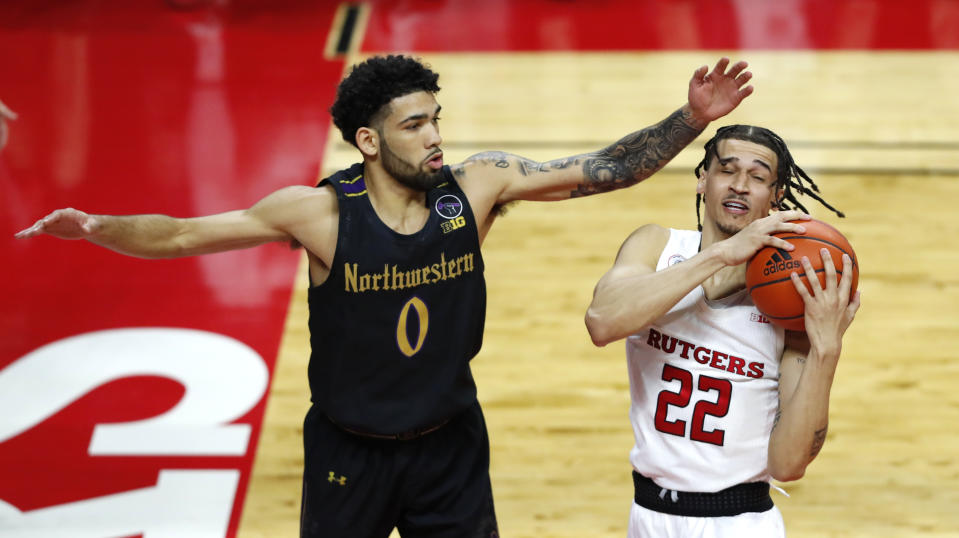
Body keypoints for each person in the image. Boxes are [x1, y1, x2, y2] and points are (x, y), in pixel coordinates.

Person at [15, 55, 754, 538]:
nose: (435, 136)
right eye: (415, 124)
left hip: (449, 446)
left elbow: (604, 170)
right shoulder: (318, 214)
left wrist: (691, 119)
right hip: (348, 452)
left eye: (436, 119)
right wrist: (98, 227)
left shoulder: (477, 185)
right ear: (368, 141)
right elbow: (178, 238)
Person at [584, 124, 860, 537]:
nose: (740, 186)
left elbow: (789, 465)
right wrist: (720, 256)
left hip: (739, 523)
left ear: (776, 195)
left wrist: (825, 350)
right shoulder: (656, 246)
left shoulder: (791, 302)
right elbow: (602, 322)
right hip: (646, 517)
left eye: (758, 176)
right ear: (703, 179)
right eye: (727, 170)